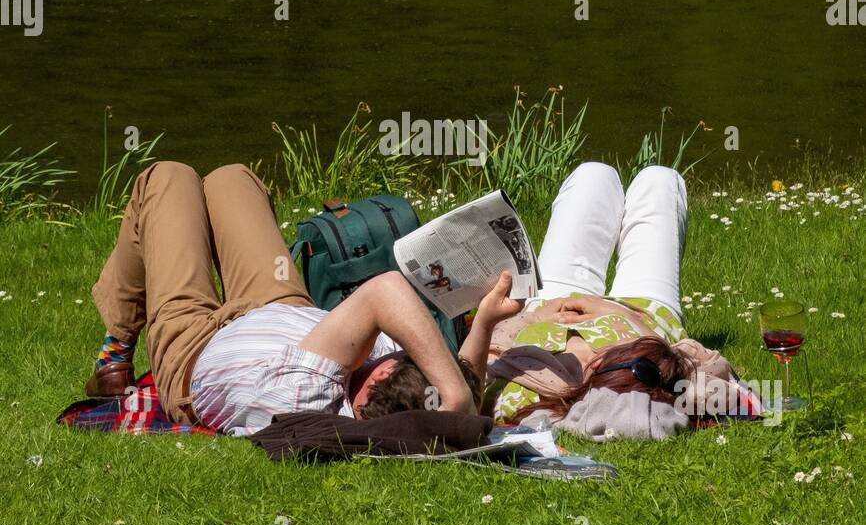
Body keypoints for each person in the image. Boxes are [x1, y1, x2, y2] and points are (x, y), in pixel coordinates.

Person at [85, 161, 482, 434]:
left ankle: (115, 350)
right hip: (282, 310)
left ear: (380, 374)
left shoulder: (305, 395)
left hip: (193, 346)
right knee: (233, 179)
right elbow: (465, 384)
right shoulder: (391, 391)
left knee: (165, 179)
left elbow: (387, 291)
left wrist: (455, 394)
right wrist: (486, 322)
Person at [483, 162, 729, 423]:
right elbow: (724, 389)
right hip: (644, 313)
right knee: (660, 180)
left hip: (551, 302)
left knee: (593, 174)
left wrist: (531, 317)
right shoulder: (647, 383)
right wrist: (625, 318)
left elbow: (475, 365)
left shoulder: (525, 398)